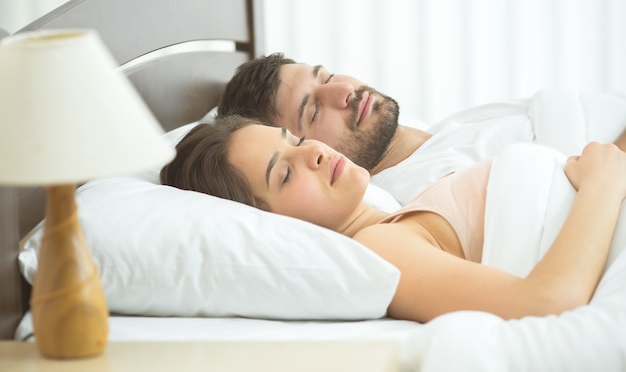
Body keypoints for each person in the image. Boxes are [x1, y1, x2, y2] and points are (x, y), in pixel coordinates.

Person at [160, 115, 626, 323]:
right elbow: (545, 304)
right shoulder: (381, 249)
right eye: (284, 173)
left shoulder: (400, 208)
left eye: (296, 142)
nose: (316, 154)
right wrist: (606, 182)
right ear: (271, 224)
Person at [218, 53, 626, 205]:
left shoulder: (446, 128)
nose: (344, 91)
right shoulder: (423, 192)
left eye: (325, 76)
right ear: (301, 150)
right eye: (313, 111)